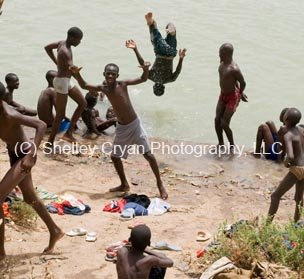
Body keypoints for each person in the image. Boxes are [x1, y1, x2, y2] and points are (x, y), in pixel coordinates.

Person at [70, 61, 168, 200]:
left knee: (148, 155)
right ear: (104, 74)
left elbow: (143, 79)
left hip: (135, 125)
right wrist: (77, 74)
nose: (110, 76)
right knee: (115, 157)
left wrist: (146, 69)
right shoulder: (103, 88)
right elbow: (84, 85)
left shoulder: (122, 84)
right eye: (108, 73)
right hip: (122, 128)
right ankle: (124, 184)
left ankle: (160, 184)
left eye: (113, 74)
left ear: (117, 76)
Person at [0, 82, 63, 261]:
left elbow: (41, 125)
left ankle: (1, 253)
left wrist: (31, 155)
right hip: (13, 152)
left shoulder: (10, 114)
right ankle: (55, 230)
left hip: (24, 154)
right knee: (29, 198)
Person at [44, 27, 87, 145]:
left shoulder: (61, 43)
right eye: (79, 40)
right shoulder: (65, 52)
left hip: (66, 81)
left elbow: (47, 48)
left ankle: (68, 133)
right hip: (62, 83)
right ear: (72, 38)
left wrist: (56, 62)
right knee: (60, 115)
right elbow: (72, 69)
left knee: (83, 103)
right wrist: (83, 83)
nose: (79, 42)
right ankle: (50, 142)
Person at [125, 12, 186, 96]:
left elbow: (178, 70)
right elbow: (143, 64)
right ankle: (151, 22)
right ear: (154, 86)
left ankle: (171, 32)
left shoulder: (171, 79)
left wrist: (181, 58)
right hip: (160, 52)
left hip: (171, 54)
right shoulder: (150, 77)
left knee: (171, 26)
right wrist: (135, 49)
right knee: (153, 27)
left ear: (163, 87)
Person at [268, 108, 304, 223]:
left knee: (275, 196)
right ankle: (295, 224)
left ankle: (267, 225)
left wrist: (285, 163)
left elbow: (291, 156)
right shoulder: (301, 130)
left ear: (285, 119)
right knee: (299, 198)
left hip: (297, 168)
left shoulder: (288, 134)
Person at [215, 43, 247, 149]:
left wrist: (241, 93)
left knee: (224, 123)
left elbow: (243, 82)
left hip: (232, 97)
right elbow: (235, 81)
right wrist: (236, 85)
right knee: (217, 120)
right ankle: (221, 143)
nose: (218, 55)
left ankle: (232, 146)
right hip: (223, 95)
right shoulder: (222, 62)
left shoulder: (234, 69)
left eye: (220, 53)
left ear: (225, 54)